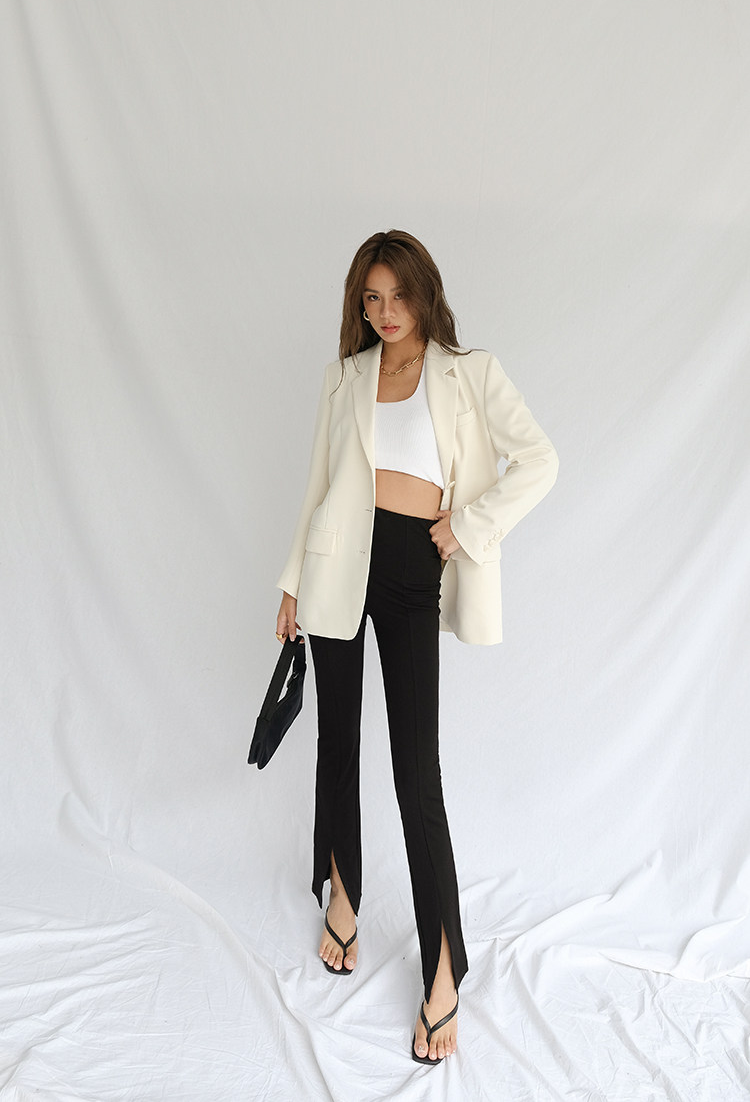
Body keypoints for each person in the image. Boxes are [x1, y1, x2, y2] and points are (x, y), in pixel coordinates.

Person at [275, 229, 558, 1064]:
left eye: (398, 294)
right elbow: (318, 487)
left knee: (415, 772)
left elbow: (539, 461)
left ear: (424, 293)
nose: (385, 311)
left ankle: (443, 966)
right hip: (336, 558)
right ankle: (343, 896)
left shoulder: (470, 372)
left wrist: (465, 526)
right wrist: (291, 582)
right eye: (371, 298)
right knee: (336, 742)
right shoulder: (346, 377)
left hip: (411, 563)